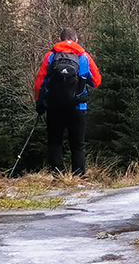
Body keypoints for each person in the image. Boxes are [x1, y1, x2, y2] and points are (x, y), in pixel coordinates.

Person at [34, 28, 102, 178]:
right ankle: (78, 177)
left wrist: (40, 103)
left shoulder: (51, 56)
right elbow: (97, 81)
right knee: (78, 144)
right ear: (76, 40)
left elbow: (40, 84)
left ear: (60, 39)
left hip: (55, 106)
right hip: (78, 107)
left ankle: (58, 176)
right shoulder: (83, 57)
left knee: (55, 142)